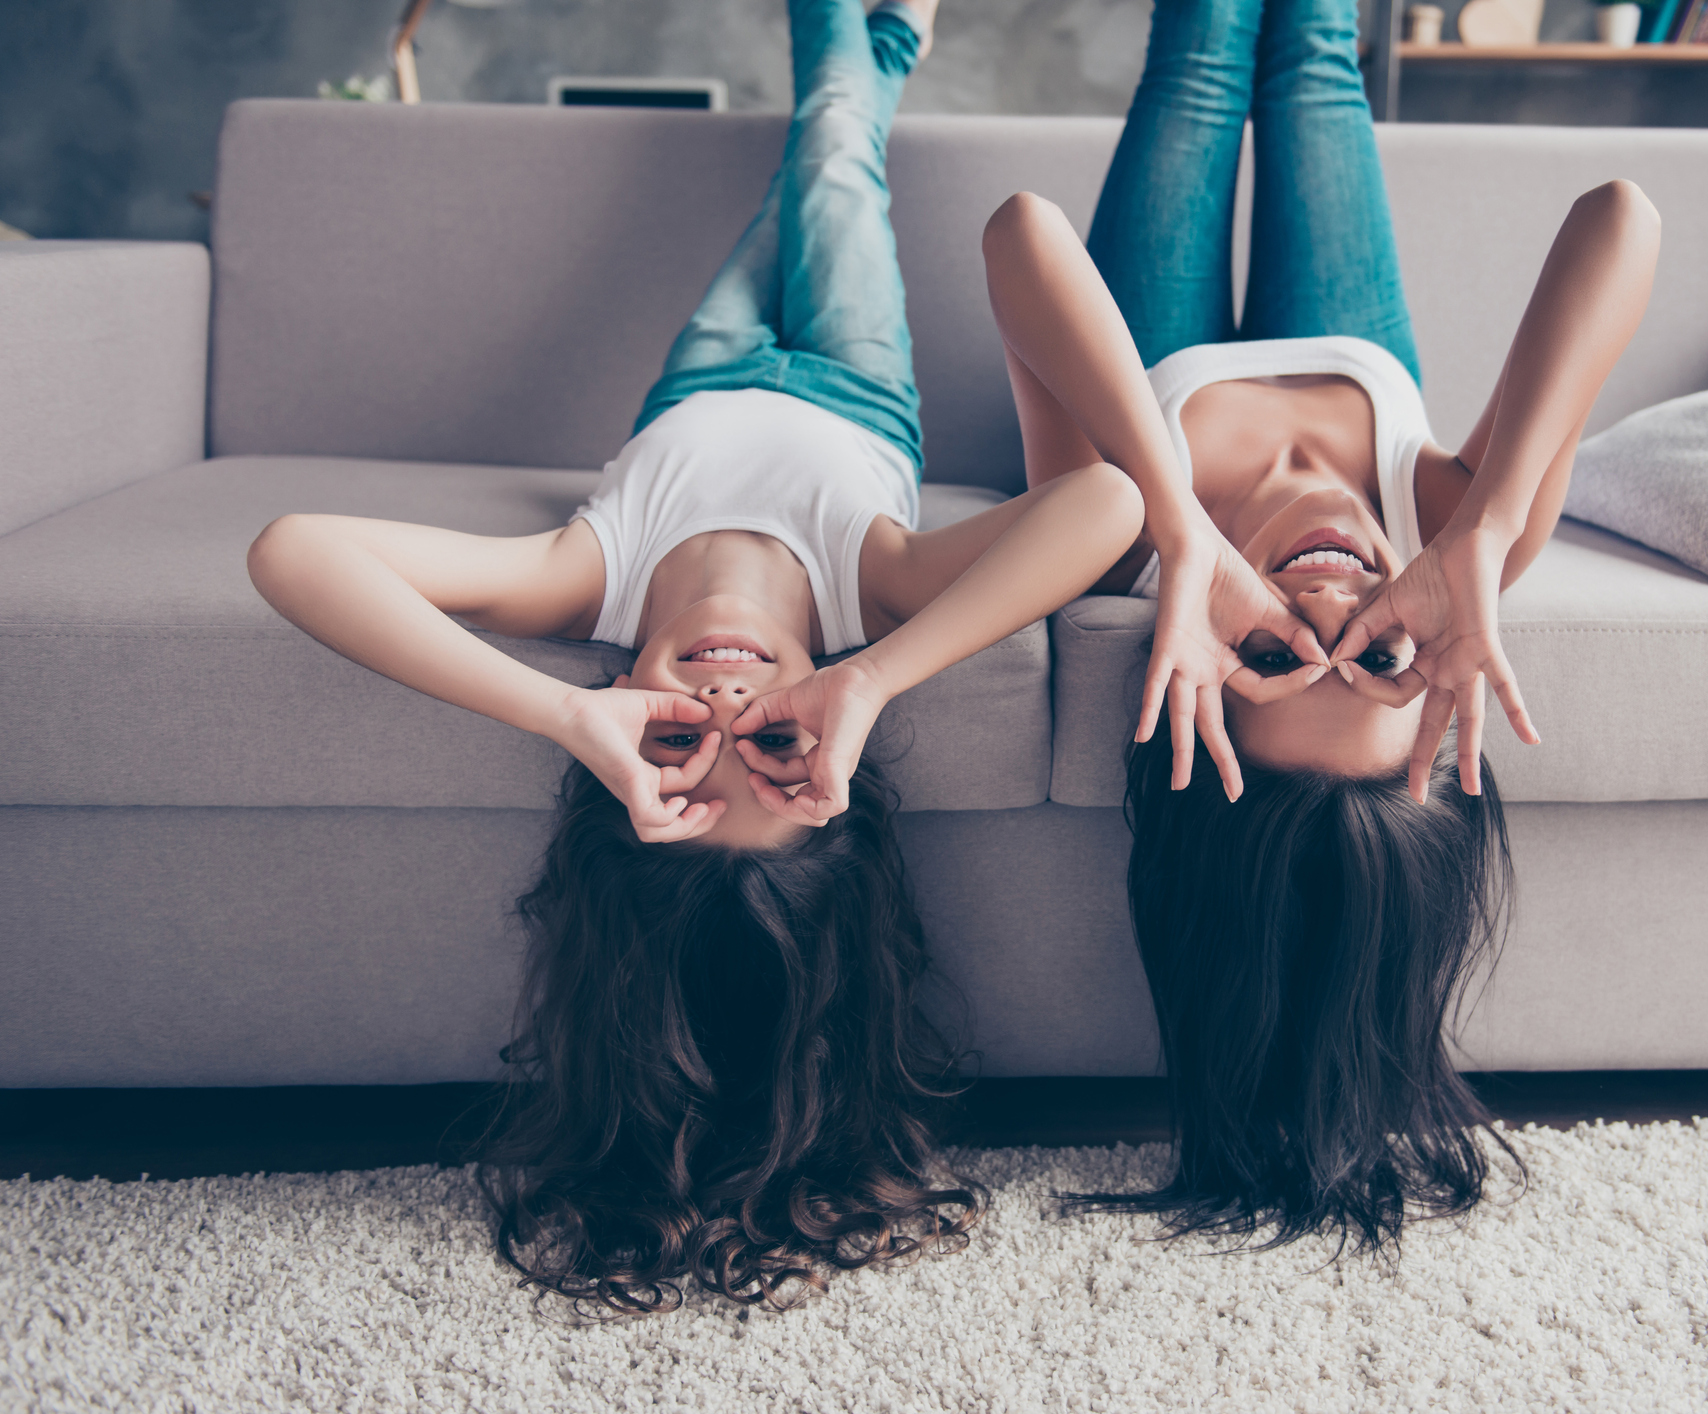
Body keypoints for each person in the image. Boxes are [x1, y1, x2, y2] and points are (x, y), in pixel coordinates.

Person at [247, 0, 1143, 1310]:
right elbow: (1108, 506)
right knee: (835, 155)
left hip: (698, 384)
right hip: (852, 386)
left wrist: (563, 714)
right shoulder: (869, 589)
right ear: (823, 739)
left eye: (676, 744)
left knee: (818, 162)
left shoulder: (585, 573)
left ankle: (867, 45)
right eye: (772, 742)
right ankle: (861, 44)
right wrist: (876, 673)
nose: (725, 703)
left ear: (625, 729)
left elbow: (290, 550)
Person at [979, 0, 1661, 1248]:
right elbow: (1624, 217)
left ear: (1199, 669)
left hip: (1153, 349)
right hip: (1359, 346)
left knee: (1203, 48)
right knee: (1310, 45)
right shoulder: (1458, 536)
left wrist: (1182, 532)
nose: (1331, 600)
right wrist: (1494, 530)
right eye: (1381, 655)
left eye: (1282, 655)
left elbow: (1021, 236)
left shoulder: (1120, 539)